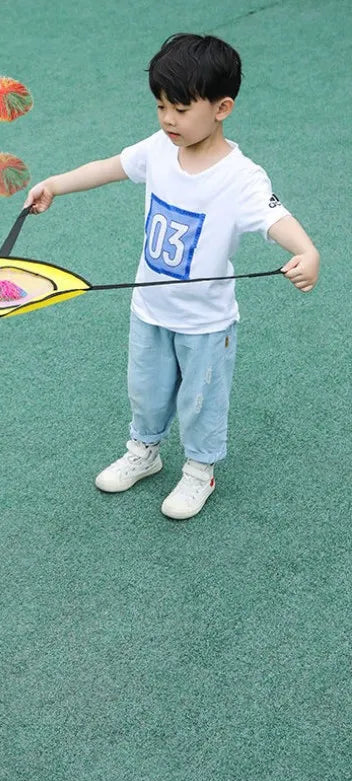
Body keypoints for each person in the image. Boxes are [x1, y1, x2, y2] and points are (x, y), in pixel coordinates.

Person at [24, 33, 319, 520]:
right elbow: (110, 167)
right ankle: (145, 451)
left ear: (222, 107)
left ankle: (200, 471)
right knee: (146, 387)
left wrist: (306, 250)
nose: (167, 119)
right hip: (149, 309)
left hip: (205, 322)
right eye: (161, 106)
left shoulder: (242, 177)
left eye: (180, 109)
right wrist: (55, 184)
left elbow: (276, 219)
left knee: (200, 399)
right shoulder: (160, 148)